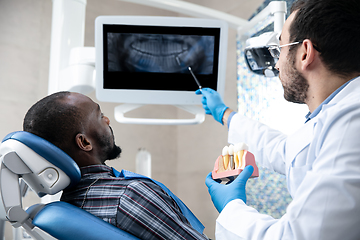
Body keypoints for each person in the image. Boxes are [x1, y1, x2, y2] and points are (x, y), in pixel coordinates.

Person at [198, 0, 360, 239]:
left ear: (305, 53)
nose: (276, 62)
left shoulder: (350, 123)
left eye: (281, 47)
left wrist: (232, 208)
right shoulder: (336, 112)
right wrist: (225, 114)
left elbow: (297, 237)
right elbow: (287, 152)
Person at [23, 91, 208, 240]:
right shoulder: (129, 196)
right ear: (85, 142)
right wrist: (233, 204)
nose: (107, 120)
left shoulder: (71, 204)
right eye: (100, 115)